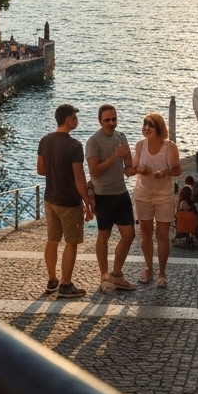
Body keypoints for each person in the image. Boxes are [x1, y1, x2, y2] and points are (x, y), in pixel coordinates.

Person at [37, 103, 95, 298]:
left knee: (52, 240)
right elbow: (79, 177)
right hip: (69, 202)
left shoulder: (45, 140)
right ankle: (65, 284)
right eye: (74, 118)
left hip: (50, 199)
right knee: (71, 243)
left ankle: (52, 279)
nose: (76, 121)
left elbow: (40, 169)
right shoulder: (74, 146)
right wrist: (87, 200)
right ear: (67, 120)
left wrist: (55, 169)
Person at [85, 104, 136, 294]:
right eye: (107, 120)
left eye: (114, 119)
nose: (111, 123)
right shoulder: (93, 141)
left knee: (129, 235)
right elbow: (94, 170)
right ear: (100, 121)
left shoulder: (121, 137)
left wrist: (137, 168)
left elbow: (128, 168)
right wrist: (115, 155)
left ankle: (117, 274)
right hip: (103, 194)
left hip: (121, 193)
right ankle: (104, 276)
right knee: (104, 236)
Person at [130, 112, 181, 288]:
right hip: (143, 194)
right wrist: (139, 169)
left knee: (162, 234)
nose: (146, 128)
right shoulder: (140, 145)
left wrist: (164, 172)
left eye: (150, 125)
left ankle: (162, 273)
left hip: (164, 196)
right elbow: (132, 166)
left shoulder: (170, 147)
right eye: (144, 125)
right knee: (145, 234)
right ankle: (149, 268)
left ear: (158, 128)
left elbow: (177, 170)